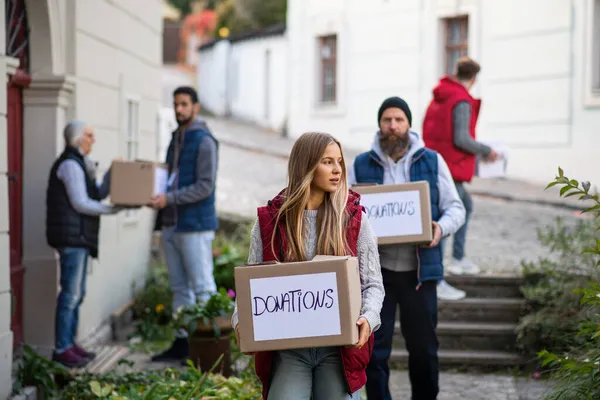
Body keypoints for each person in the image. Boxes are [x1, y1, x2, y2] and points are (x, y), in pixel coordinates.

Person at [232, 132, 385, 400]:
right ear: (306, 165)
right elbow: (250, 286)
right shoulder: (270, 222)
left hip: (338, 349)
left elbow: (373, 284)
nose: (337, 169)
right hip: (290, 351)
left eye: (339, 162)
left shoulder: (354, 219)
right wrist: (240, 323)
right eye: (327, 162)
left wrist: (368, 318)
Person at [348, 96, 466, 400]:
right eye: (387, 120)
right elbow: (345, 211)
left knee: (425, 350)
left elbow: (456, 207)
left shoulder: (432, 160)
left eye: (399, 119)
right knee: (374, 350)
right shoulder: (361, 164)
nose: (393, 126)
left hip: (420, 273)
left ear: (409, 124)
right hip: (377, 276)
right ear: (379, 124)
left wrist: (439, 228)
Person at [46, 121, 124, 368]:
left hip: (79, 238)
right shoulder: (70, 165)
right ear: (77, 139)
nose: (93, 140)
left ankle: (71, 344)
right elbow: (81, 203)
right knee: (70, 295)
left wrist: (113, 172)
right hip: (71, 239)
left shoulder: (80, 164)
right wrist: (112, 210)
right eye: (89, 135)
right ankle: (62, 349)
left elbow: (97, 193)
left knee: (77, 295)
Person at [150, 86, 219, 362]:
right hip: (171, 224)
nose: (179, 109)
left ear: (195, 107)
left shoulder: (204, 141)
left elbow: (205, 186)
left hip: (195, 225)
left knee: (202, 288)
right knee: (180, 289)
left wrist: (169, 198)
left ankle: (211, 349)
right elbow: (170, 177)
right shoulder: (175, 138)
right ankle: (182, 345)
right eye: (176, 104)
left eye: (184, 104)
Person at [422, 57, 499, 296]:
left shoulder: (440, 95)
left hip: (436, 161)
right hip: (450, 166)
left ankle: (453, 260)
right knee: (451, 214)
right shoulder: (461, 100)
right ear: (474, 79)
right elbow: (461, 139)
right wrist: (487, 151)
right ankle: (443, 271)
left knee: (458, 207)